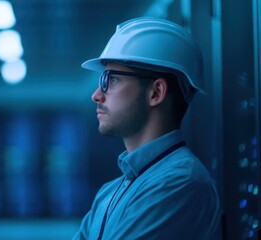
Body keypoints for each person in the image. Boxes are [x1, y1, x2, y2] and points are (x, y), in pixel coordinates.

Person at [72, 17, 221, 239]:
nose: (96, 95)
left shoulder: (181, 183)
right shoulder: (110, 192)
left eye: (110, 80)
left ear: (156, 92)